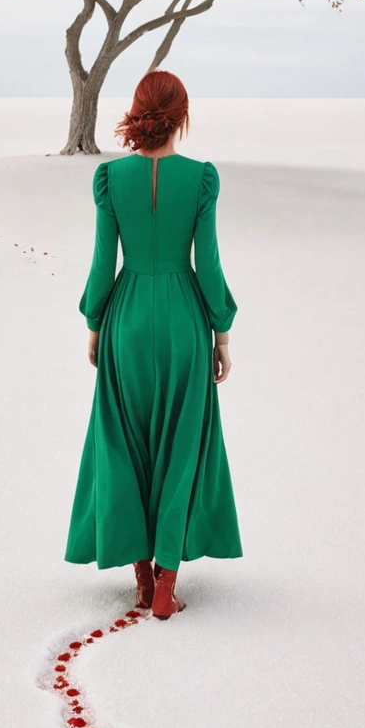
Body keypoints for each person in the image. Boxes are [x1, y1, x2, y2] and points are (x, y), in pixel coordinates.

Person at [64, 70, 243, 620]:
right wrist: (222, 330)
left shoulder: (110, 178)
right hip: (186, 321)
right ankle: (167, 585)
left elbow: (102, 263)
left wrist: (96, 322)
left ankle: (141, 578)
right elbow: (206, 264)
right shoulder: (202, 179)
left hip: (127, 318)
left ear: (139, 113)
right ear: (182, 116)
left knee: (124, 444)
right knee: (180, 445)